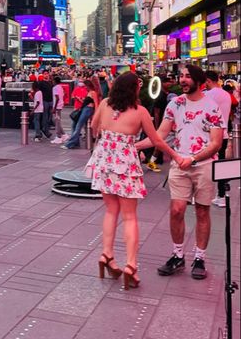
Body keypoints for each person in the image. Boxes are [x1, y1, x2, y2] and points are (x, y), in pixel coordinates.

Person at [86, 72, 182, 289]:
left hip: (104, 160)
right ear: (134, 89)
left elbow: (94, 128)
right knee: (130, 217)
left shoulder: (104, 104)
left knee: (111, 211)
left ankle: (106, 255)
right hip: (125, 163)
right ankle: (131, 265)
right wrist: (175, 155)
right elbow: (156, 139)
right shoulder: (140, 112)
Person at [137, 64, 223, 281]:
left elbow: (216, 143)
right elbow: (160, 135)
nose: (182, 80)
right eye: (181, 76)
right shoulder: (175, 104)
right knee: (177, 210)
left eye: (187, 77)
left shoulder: (212, 107)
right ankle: (177, 255)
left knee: (202, 211)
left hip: (203, 164)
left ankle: (200, 257)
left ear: (198, 80)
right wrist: (133, 146)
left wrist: (193, 158)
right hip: (179, 164)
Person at [204, 70, 233, 208]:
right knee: (220, 165)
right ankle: (221, 195)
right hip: (224, 134)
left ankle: (198, 195)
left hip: (209, 136)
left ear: (208, 81)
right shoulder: (226, 94)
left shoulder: (208, 95)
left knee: (203, 165)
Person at [63, 80, 99, 149]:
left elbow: (96, 104)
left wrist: (95, 114)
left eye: (85, 85)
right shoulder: (89, 92)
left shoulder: (93, 93)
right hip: (84, 109)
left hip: (88, 109)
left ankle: (70, 143)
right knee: (75, 124)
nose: (84, 87)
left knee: (78, 126)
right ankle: (75, 142)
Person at [51, 75, 67, 144]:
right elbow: (63, 95)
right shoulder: (60, 87)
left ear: (55, 81)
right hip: (60, 105)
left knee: (57, 121)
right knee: (57, 120)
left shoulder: (54, 88)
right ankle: (64, 134)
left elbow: (57, 98)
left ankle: (58, 137)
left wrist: (54, 108)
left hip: (57, 107)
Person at [38, 71, 53, 137]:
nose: (46, 75)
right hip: (44, 101)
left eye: (47, 74)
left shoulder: (50, 83)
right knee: (45, 117)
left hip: (51, 101)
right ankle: (45, 130)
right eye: (45, 74)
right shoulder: (41, 83)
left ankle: (46, 129)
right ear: (43, 75)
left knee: (49, 117)